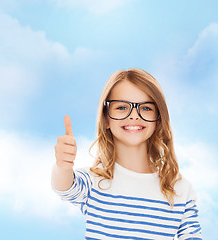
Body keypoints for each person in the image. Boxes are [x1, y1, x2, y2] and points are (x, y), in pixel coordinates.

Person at [51, 68, 202, 239]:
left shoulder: (180, 189)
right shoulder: (94, 182)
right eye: (122, 107)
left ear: (158, 119)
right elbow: (64, 187)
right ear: (106, 118)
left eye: (145, 108)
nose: (134, 116)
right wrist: (62, 165)